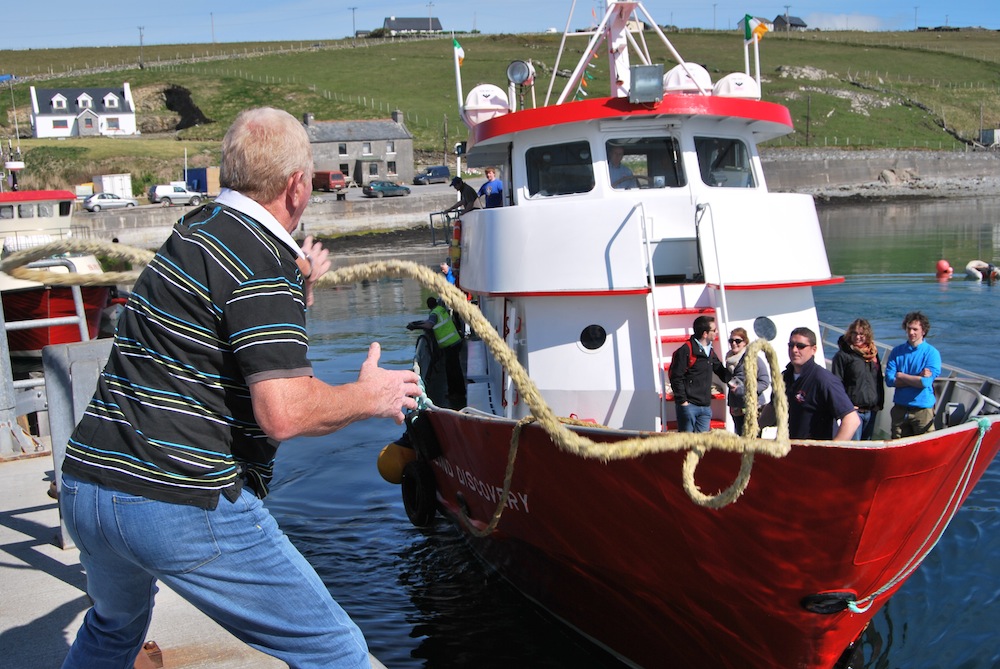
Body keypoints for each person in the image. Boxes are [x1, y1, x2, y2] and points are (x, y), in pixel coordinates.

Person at [58, 107, 422, 669]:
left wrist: (295, 294)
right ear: (297, 185)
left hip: (89, 485)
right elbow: (284, 413)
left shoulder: (194, 232)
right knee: (336, 650)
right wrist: (370, 396)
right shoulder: (262, 260)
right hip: (176, 497)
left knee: (112, 629)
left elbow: (212, 332)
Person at [782, 327, 860, 441]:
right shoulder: (784, 377)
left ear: (813, 349)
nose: (794, 350)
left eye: (800, 346)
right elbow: (773, 407)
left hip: (815, 453)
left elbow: (852, 420)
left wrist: (832, 451)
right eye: (791, 345)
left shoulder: (824, 380)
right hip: (790, 449)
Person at [885, 311, 941, 438]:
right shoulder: (897, 352)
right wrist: (917, 377)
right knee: (898, 446)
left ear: (924, 331)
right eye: (909, 329)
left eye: (915, 329)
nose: (911, 333)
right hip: (900, 409)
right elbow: (889, 381)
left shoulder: (932, 353)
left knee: (924, 448)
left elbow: (925, 383)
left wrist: (901, 375)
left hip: (922, 411)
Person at [669, 315, 729, 432]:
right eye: (714, 330)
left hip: (705, 406)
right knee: (687, 443)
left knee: (701, 445)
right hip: (689, 406)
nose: (716, 332)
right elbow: (676, 377)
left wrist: (739, 373)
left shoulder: (709, 351)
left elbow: (721, 371)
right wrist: (683, 402)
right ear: (705, 334)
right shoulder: (686, 350)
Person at [831, 318, 885, 440]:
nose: (858, 337)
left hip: (871, 410)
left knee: (867, 447)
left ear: (867, 335)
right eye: (855, 333)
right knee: (855, 448)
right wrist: (846, 406)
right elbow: (836, 383)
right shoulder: (843, 355)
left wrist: (879, 403)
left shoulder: (873, 354)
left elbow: (878, 380)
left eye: (861, 334)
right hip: (854, 411)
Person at [407, 296, 466, 407]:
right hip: (455, 342)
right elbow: (429, 321)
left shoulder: (434, 313)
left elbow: (430, 324)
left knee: (451, 370)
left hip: (450, 345)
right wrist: (417, 323)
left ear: (429, 306)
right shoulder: (441, 310)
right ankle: (460, 392)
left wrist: (415, 327)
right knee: (456, 369)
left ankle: (455, 394)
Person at [725, 327, 770, 435]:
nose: (734, 343)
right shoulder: (729, 359)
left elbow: (764, 382)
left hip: (752, 407)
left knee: (754, 439)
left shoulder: (753, 358)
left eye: (738, 341)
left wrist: (743, 390)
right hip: (736, 408)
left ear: (745, 342)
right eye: (731, 341)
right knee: (740, 439)